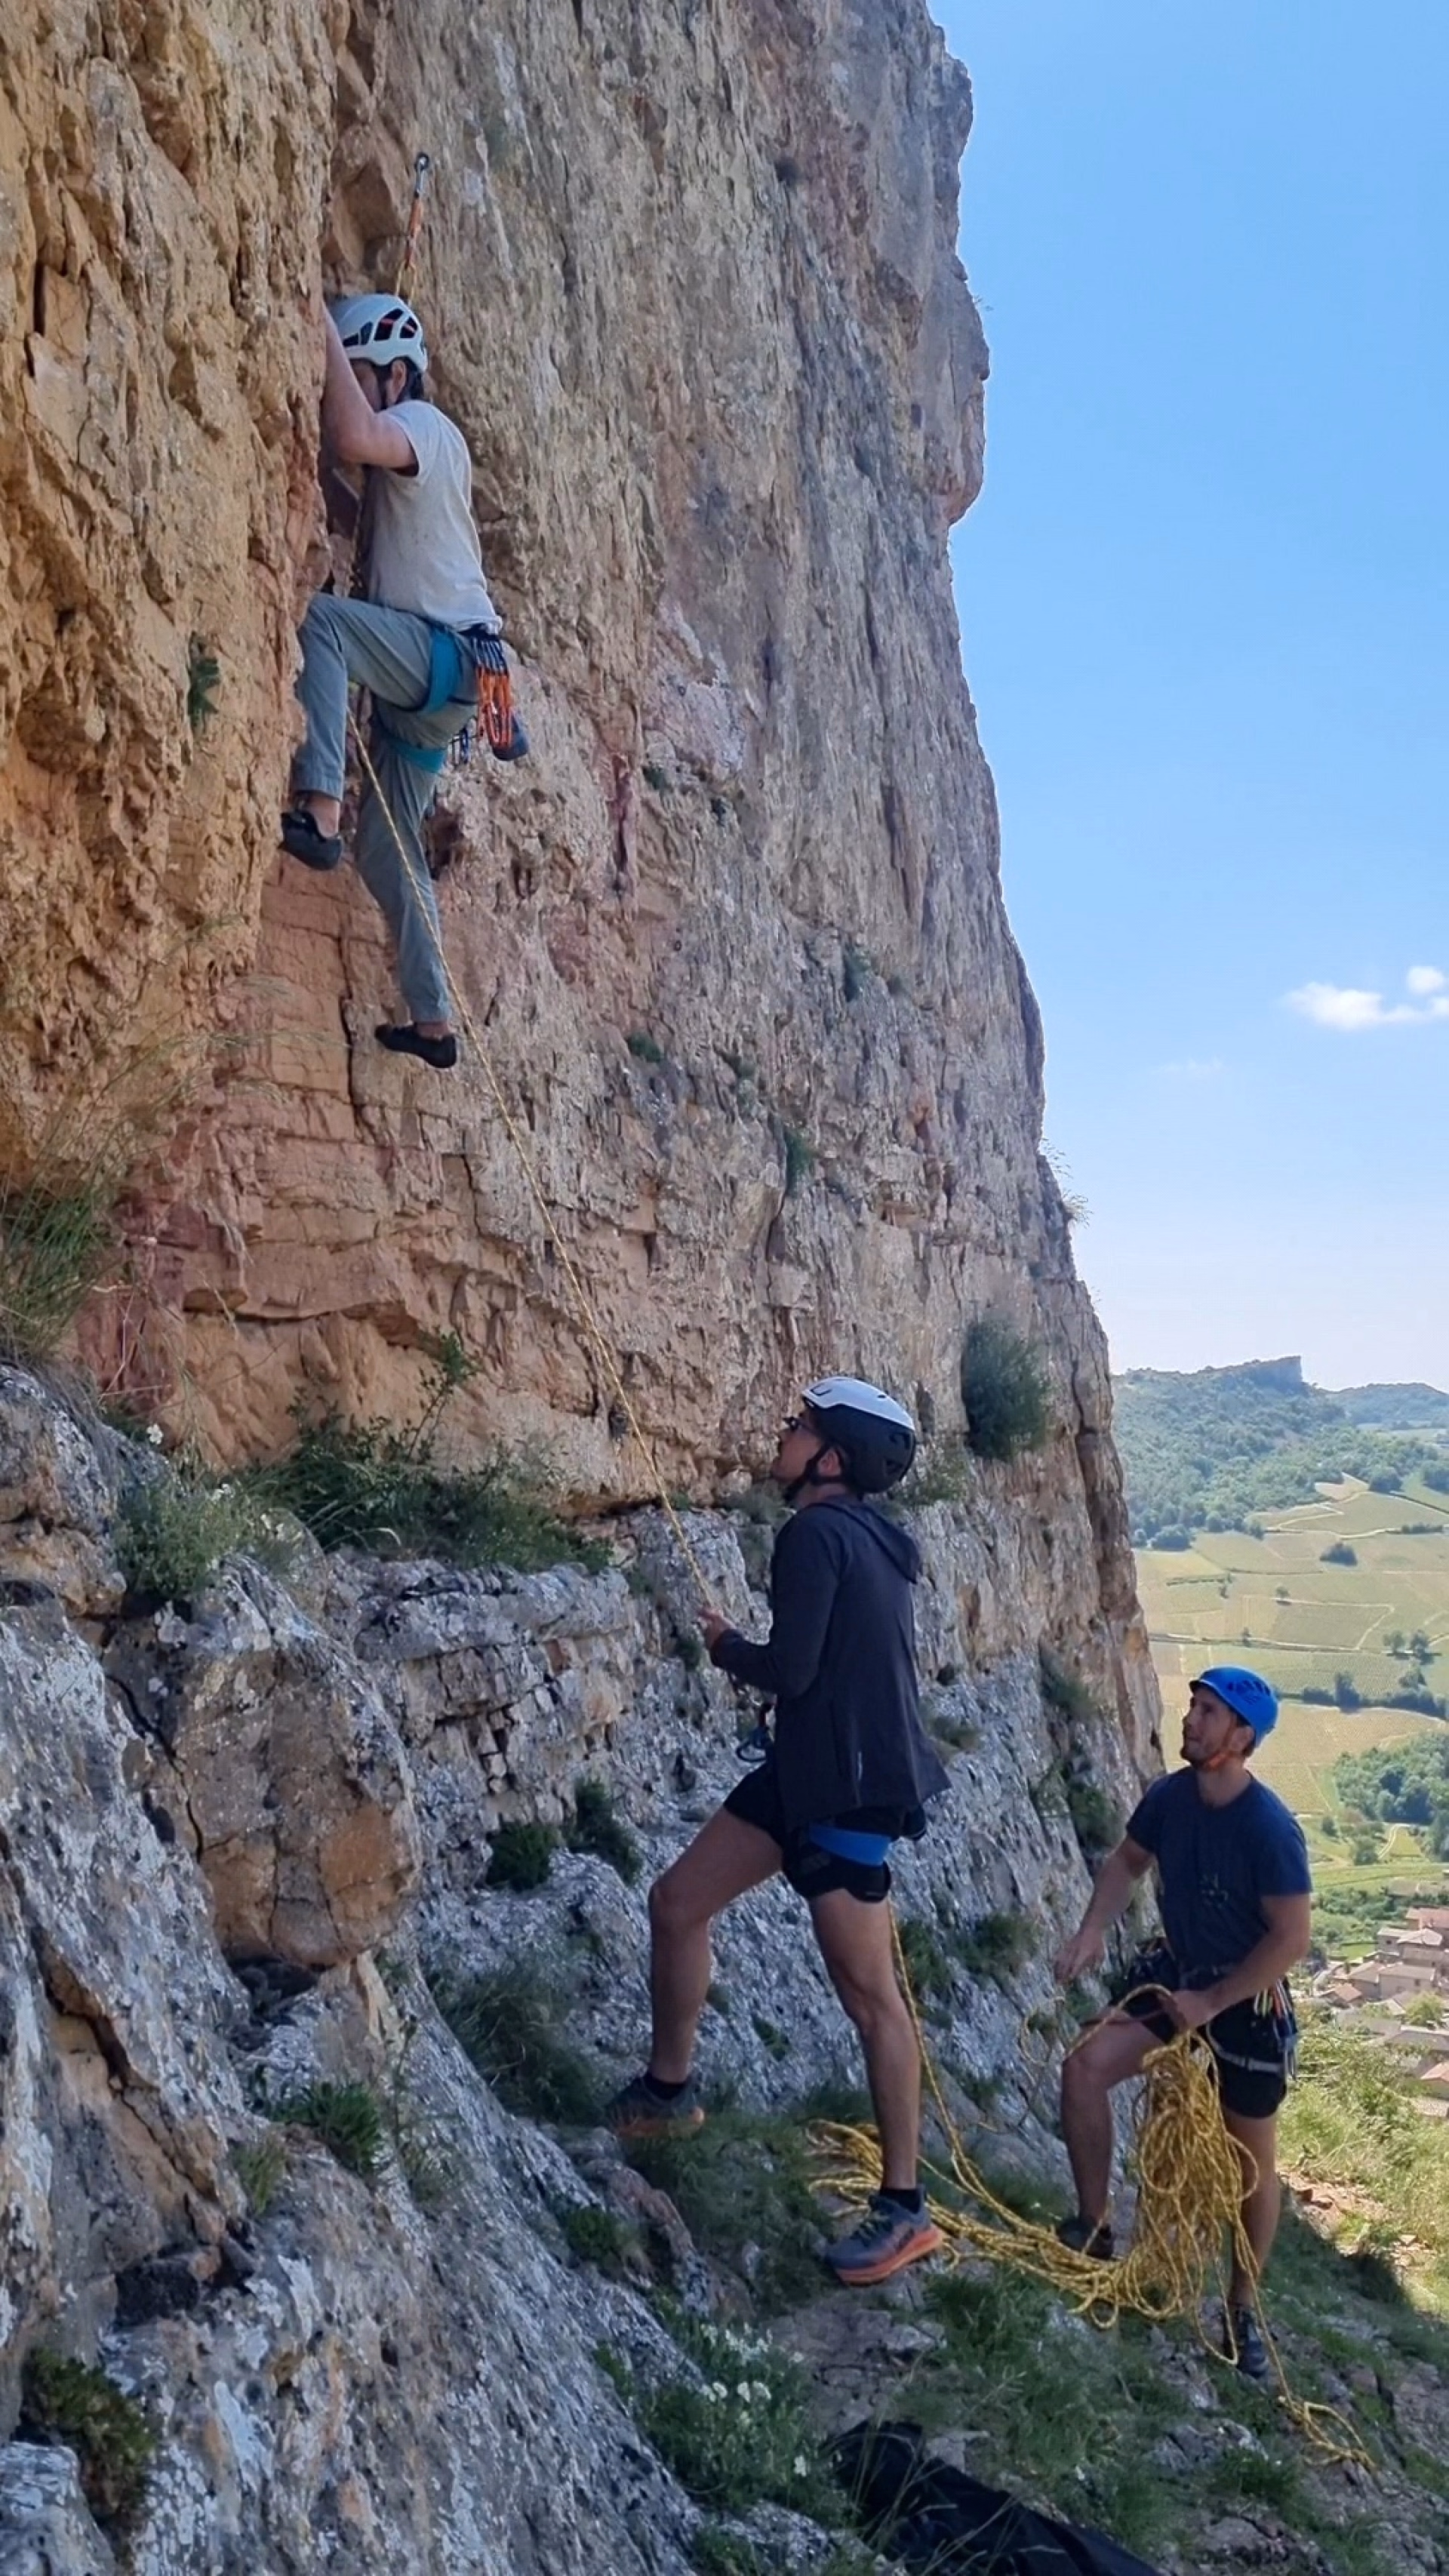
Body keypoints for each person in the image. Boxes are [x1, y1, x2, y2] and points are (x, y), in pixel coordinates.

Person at [607, 1377, 950, 2288]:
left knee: (872, 1998)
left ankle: (905, 2208)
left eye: (800, 1426)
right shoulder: (877, 1539)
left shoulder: (812, 1535)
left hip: (841, 1792)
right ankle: (669, 2092)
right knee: (678, 1901)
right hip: (815, 1777)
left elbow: (792, 1670)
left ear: (832, 1457)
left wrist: (725, 1647)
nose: (785, 1433)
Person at [281, 294, 523, 1072]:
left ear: (392, 373)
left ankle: (316, 810)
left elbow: (355, 432)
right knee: (388, 852)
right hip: (455, 685)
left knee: (324, 623)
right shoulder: (415, 465)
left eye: (358, 373)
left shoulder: (425, 427)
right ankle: (433, 1020)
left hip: (440, 657)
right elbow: (369, 506)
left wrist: (315, 318)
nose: (347, 384)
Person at [1051, 1667, 1312, 2379]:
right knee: (1084, 2069)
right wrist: (1092, 1931)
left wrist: (1213, 2001)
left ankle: (1242, 2309)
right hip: (1180, 1974)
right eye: (1194, 1705)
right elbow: (1127, 1861)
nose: (1190, 1719)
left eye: (1208, 1712)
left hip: (1246, 2003)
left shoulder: (1268, 1829)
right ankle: (1094, 2227)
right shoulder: (1171, 1797)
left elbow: (1290, 1939)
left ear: (1242, 1736)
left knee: (1251, 2164)